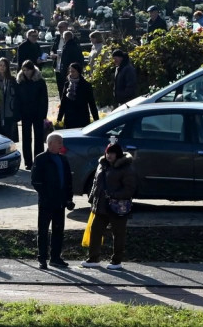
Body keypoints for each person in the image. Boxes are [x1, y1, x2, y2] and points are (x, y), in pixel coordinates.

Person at [81, 142, 138, 271]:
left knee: (118, 234)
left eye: (112, 153)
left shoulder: (126, 168)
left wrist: (113, 195)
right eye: (107, 152)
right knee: (95, 231)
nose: (109, 155)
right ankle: (93, 259)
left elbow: (130, 189)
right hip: (101, 206)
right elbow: (96, 183)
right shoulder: (102, 165)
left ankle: (116, 261)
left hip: (118, 207)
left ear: (118, 154)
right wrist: (92, 199)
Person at [29, 132, 74, 269]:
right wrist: (46, 195)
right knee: (43, 231)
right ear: (50, 144)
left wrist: (69, 198)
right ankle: (42, 258)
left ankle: (55, 258)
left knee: (58, 231)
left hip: (60, 202)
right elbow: (36, 181)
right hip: (46, 202)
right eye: (59, 142)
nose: (61, 145)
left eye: (61, 142)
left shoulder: (63, 159)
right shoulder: (41, 159)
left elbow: (68, 181)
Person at [16, 59, 48, 169]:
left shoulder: (40, 81)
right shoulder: (20, 82)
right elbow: (18, 99)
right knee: (26, 138)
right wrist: (19, 113)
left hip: (37, 113)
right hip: (25, 113)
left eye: (28, 70)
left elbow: (44, 99)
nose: (26, 72)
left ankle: (38, 160)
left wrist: (43, 114)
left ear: (33, 70)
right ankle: (28, 162)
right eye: (24, 70)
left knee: (38, 138)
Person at [57, 62, 99, 129]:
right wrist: (59, 118)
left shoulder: (86, 85)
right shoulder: (67, 84)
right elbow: (63, 102)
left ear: (78, 72)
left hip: (82, 118)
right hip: (69, 118)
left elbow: (92, 103)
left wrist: (96, 119)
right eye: (70, 71)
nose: (71, 74)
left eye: (73, 71)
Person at [0, 56, 20, 142]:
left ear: (7, 67)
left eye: (4, 65)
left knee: (10, 137)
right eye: (0, 65)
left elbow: (16, 96)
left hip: (10, 112)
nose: (2, 67)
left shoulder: (12, 80)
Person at [54, 30, 84, 94]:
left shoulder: (66, 47)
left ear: (65, 38)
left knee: (66, 88)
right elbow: (81, 59)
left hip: (68, 70)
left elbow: (65, 61)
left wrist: (63, 71)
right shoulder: (77, 46)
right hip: (77, 69)